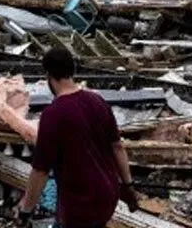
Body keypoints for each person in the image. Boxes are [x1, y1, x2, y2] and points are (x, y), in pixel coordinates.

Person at [18, 47, 138, 228]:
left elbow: (40, 170)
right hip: (107, 196)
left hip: (79, 203)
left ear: (48, 76)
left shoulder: (53, 114)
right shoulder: (98, 101)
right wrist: (128, 185)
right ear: (72, 71)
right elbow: (117, 147)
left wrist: (26, 210)